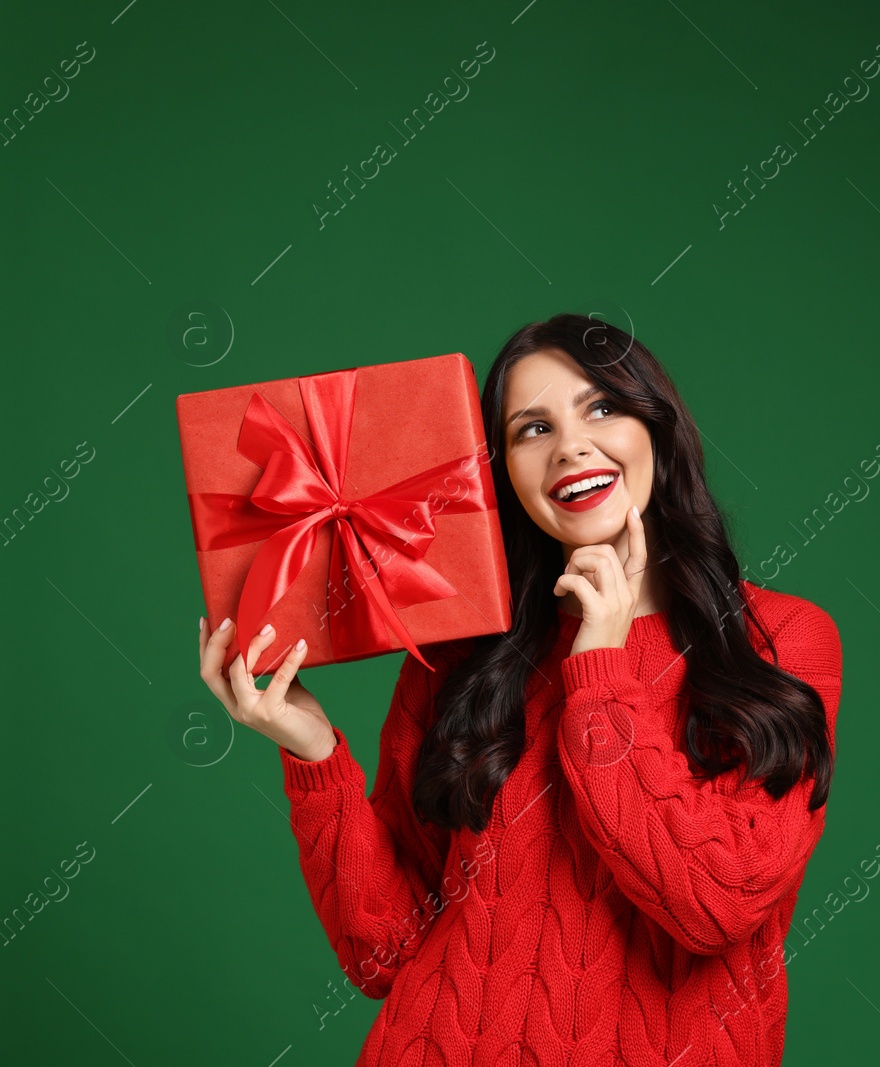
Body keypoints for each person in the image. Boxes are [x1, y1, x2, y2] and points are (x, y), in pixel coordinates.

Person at [195, 314, 842, 1066]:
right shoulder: (467, 649)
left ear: (657, 431)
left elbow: (714, 904)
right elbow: (383, 950)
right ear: (501, 471)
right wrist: (312, 752)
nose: (570, 445)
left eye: (602, 406)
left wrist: (600, 664)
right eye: (532, 428)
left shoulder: (779, 638)